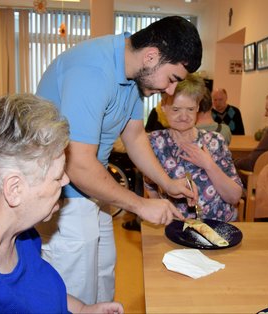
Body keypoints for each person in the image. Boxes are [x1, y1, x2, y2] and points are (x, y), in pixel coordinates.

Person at [35, 16, 201, 304]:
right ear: (152, 55)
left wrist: (167, 183)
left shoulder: (133, 72)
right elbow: (77, 164)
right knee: (77, 293)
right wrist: (139, 205)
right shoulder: (92, 71)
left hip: (91, 188)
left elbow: (135, 136)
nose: (171, 91)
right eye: (172, 79)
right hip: (60, 193)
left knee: (103, 276)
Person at [0, 94, 123, 313]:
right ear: (14, 189)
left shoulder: (12, 221)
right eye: (57, 177)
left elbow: (34, 288)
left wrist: (82, 309)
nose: (66, 180)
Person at [146, 74, 243, 222]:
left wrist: (209, 165)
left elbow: (234, 197)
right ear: (164, 107)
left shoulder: (214, 141)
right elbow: (150, 186)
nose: (184, 116)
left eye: (190, 109)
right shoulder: (154, 142)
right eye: (176, 109)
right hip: (175, 226)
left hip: (218, 225)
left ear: (197, 108)